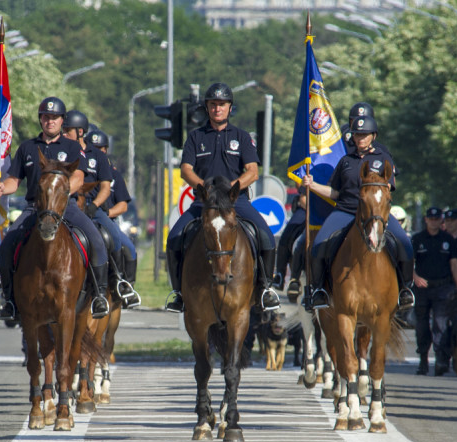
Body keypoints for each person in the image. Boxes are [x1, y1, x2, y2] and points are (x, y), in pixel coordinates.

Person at [164, 82, 280, 313]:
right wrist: (204, 189)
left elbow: (252, 172)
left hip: (236, 202)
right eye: (213, 104)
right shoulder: (195, 137)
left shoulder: (242, 137)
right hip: (204, 202)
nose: (217, 108)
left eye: (222, 104)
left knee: (266, 237)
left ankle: (265, 289)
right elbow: (186, 170)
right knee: (174, 238)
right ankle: (179, 293)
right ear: (207, 108)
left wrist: (231, 190)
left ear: (230, 108)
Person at [0, 96, 110, 320]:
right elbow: (14, 180)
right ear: (41, 120)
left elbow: (78, 177)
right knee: (6, 246)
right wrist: (2, 188)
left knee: (96, 240)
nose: (50, 121)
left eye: (54, 117)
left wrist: (60, 194)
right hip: (34, 208)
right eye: (46, 117)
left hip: (66, 206)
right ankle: (9, 300)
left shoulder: (72, 147)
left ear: (62, 120)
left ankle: (99, 295)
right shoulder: (27, 147)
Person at [302, 115, 413, 310]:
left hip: (375, 212)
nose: (360, 138)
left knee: (404, 243)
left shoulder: (383, 158)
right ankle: (319, 290)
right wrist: (313, 185)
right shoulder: (346, 161)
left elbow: (389, 186)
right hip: (345, 210)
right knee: (318, 244)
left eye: (364, 135)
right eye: (357, 135)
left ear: (373, 136)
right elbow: (335, 192)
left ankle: (405, 289)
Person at [63, 112, 140, 308]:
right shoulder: (62, 152)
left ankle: (120, 281)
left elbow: (106, 188)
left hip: (93, 207)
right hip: (66, 204)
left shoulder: (98, 157)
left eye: (67, 130)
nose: (63, 134)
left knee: (115, 238)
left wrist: (95, 206)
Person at [88, 129, 142, 308]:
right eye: (93, 148)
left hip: (106, 219)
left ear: (106, 150)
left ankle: (126, 285)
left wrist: (108, 213)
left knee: (129, 248)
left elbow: (123, 205)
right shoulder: (83, 171)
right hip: (86, 216)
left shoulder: (115, 175)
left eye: (101, 148)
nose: (97, 152)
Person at [411, 207, 457, 375]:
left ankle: (441, 359)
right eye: (431, 219)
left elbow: (454, 264)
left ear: (441, 220)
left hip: (443, 287)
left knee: (440, 324)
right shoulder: (417, 239)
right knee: (422, 326)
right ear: (426, 220)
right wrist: (415, 277)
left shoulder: (447, 239)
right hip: (422, 288)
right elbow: (409, 263)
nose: (433, 222)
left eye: (436, 219)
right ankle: (423, 359)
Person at [273, 192, 306, 302]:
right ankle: (282, 275)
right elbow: (303, 198)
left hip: (336, 208)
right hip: (307, 208)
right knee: (286, 236)